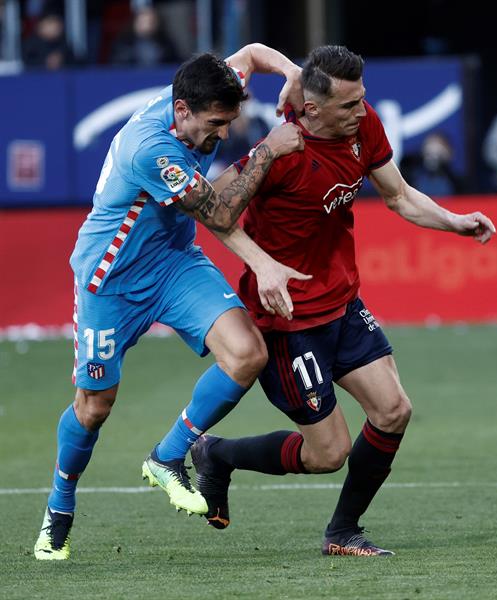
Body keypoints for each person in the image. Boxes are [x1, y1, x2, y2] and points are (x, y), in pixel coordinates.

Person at [186, 45, 496, 556]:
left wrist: (455, 223)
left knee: (394, 410)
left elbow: (397, 195)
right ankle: (218, 454)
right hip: (288, 322)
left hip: (342, 301)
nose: (361, 112)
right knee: (328, 452)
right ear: (311, 109)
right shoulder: (282, 151)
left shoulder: (362, 124)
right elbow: (214, 207)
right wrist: (262, 262)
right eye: (349, 106)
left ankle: (342, 532)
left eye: (361, 101)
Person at [33, 44, 307, 561]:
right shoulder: (151, 150)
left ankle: (169, 455)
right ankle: (58, 507)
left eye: (229, 121)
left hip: (172, 262)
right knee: (94, 407)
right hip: (109, 278)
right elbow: (220, 215)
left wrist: (291, 73)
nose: (223, 132)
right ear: (182, 111)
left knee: (247, 353)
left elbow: (249, 53)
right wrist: (268, 152)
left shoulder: (204, 87)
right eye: (217, 123)